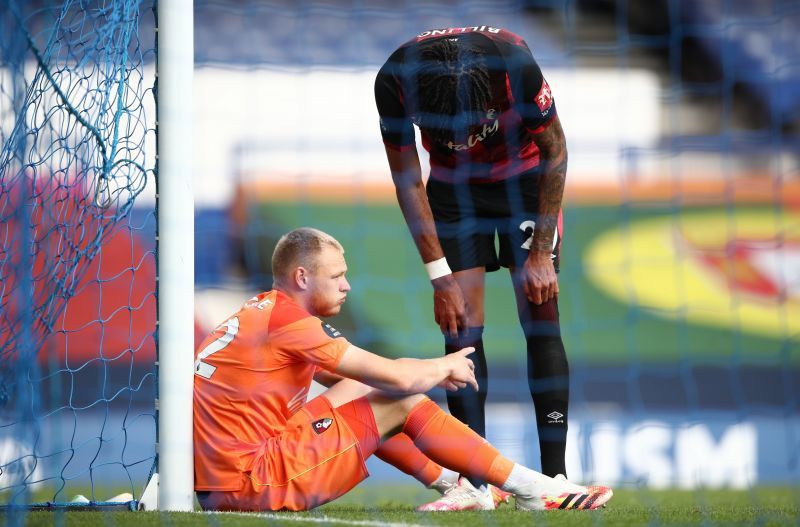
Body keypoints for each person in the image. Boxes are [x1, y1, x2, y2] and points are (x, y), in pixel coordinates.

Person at [193, 227, 612, 512]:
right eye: (337, 275)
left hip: (225, 479)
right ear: (302, 277)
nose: (347, 285)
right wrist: (443, 365)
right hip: (251, 481)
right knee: (404, 397)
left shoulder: (261, 310)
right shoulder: (290, 324)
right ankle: (531, 488)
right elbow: (397, 382)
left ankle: (457, 486)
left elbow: (362, 381)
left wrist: (416, 371)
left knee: (370, 393)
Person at [374, 26, 573, 509]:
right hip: (454, 192)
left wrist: (542, 251)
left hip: (524, 180)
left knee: (540, 316)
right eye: (447, 129)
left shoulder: (513, 66)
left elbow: (555, 149)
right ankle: (476, 485)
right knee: (461, 329)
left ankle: (556, 478)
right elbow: (407, 181)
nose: (460, 137)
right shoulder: (394, 82)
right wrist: (439, 278)